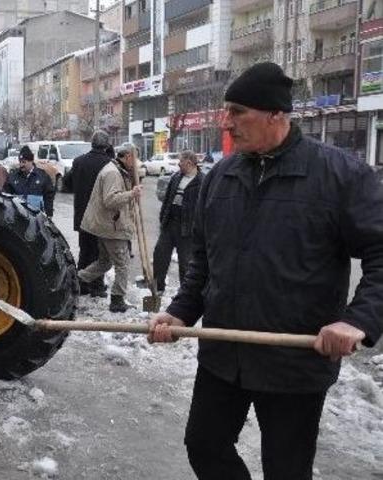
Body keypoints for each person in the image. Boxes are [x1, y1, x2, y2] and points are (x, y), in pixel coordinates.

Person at [148, 62, 383, 479]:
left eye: (238, 112)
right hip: (225, 354)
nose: (228, 122)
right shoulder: (220, 176)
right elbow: (205, 258)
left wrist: (357, 320)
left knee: (286, 471)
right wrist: (181, 310)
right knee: (204, 445)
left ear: (276, 114)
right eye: (227, 111)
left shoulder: (339, 175)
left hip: (293, 360)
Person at [77, 143, 142, 312]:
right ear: (127, 157)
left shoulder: (117, 169)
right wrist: (131, 194)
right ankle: (117, 300)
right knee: (123, 263)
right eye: (135, 159)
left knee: (104, 262)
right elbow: (110, 200)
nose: (136, 163)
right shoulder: (113, 172)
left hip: (108, 225)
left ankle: (75, 280)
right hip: (112, 227)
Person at [62, 129, 115, 297]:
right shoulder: (109, 163)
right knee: (99, 253)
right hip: (101, 216)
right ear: (106, 145)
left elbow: (67, 183)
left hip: (82, 215)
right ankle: (97, 286)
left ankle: (82, 286)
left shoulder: (78, 162)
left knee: (85, 251)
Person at [152, 150, 202, 294]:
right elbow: (167, 200)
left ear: (189, 162)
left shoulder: (202, 182)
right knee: (160, 256)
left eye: (181, 161)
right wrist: (163, 219)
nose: (178, 164)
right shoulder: (176, 177)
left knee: (186, 264)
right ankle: (157, 289)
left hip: (187, 229)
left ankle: (184, 294)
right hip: (169, 225)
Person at [3, 145, 55, 217]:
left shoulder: (42, 176)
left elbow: (49, 196)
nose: (21, 165)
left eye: (24, 162)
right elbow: (6, 195)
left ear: (31, 161)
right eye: (20, 162)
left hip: (37, 216)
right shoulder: (13, 176)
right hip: (19, 216)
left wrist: (49, 214)